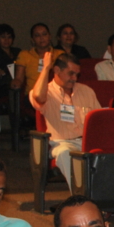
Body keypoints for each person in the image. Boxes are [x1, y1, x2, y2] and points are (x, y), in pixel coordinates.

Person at [30, 53, 102, 191]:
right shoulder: (47, 92)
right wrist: (46, 68)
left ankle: (105, 196)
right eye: (71, 74)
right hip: (61, 143)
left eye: (77, 74)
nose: (75, 78)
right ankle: (81, 197)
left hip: (87, 142)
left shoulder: (86, 91)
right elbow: (38, 96)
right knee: (65, 153)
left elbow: (98, 121)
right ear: (57, 70)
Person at [12, 22, 64, 93]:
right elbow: (19, 79)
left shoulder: (60, 54)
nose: (41, 38)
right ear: (32, 39)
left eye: (44, 34)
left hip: (55, 94)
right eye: (37, 35)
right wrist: (15, 84)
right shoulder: (25, 55)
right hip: (32, 94)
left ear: (50, 36)